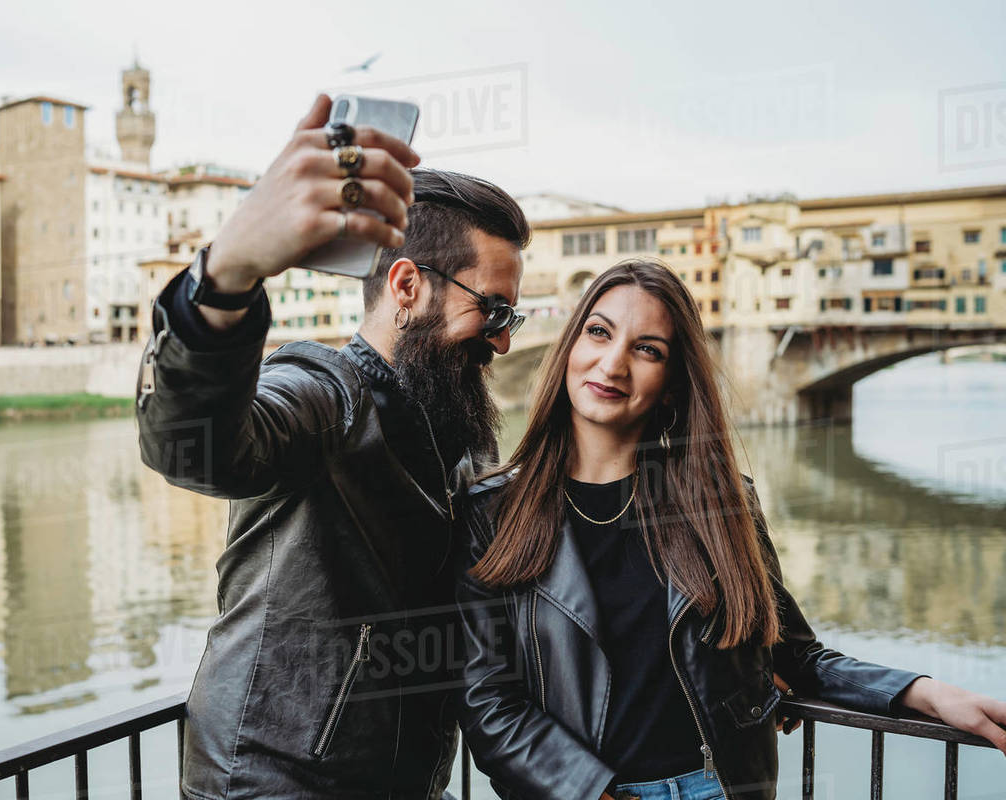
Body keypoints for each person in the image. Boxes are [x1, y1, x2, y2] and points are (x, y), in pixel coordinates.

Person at [454, 258, 1006, 800]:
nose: (613, 364)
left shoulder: (720, 501)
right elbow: (489, 703)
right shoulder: (492, 512)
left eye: (648, 349)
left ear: (671, 385)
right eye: (599, 333)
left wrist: (925, 693)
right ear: (571, 347)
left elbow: (794, 654)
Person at [135, 94, 530, 800]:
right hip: (272, 787)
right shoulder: (324, 392)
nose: (503, 339)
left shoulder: (457, 439)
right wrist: (226, 274)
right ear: (408, 285)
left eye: (512, 316)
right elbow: (191, 451)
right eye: (493, 310)